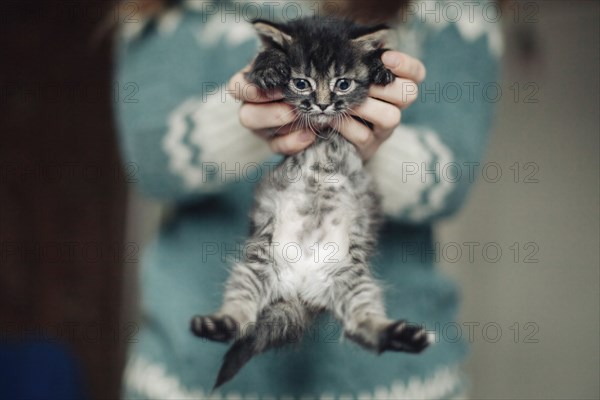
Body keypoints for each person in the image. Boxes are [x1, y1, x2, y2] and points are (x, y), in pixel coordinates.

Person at [114, 0, 501, 398]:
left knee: (349, 284)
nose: (319, 103)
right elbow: (150, 163)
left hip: (397, 385)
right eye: (305, 87)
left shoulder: (450, 10)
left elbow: (447, 182)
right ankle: (232, 320)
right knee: (257, 276)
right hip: (184, 380)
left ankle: (376, 328)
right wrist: (254, 112)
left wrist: (369, 144)